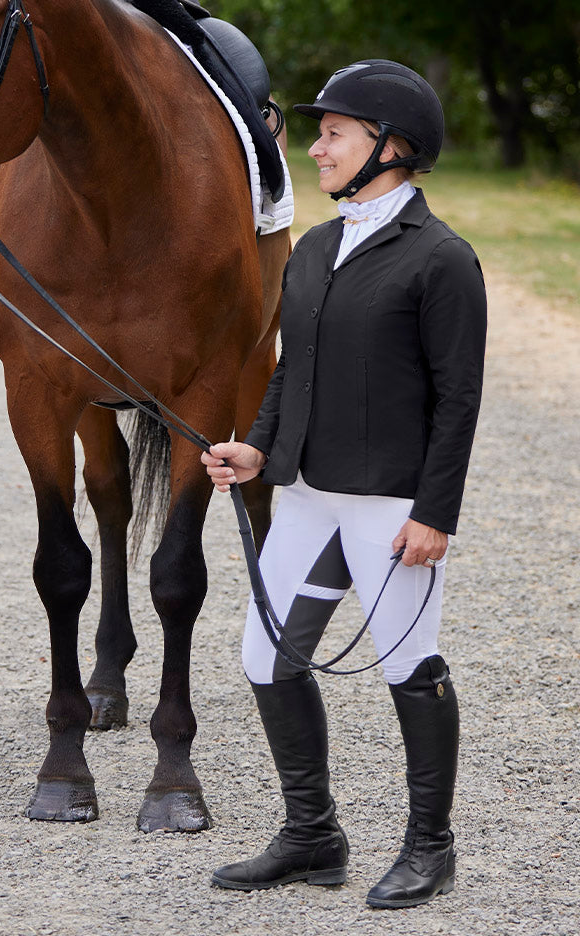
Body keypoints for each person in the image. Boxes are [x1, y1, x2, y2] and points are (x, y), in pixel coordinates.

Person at [201, 60, 487, 909]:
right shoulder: (319, 245)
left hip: (393, 504)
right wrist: (258, 451)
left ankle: (430, 848)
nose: (315, 147)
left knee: (409, 664)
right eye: (319, 133)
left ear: (389, 148)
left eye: (333, 133)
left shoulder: (442, 260)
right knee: (266, 656)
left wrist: (436, 513)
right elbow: (294, 368)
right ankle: (312, 835)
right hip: (308, 494)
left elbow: (459, 399)